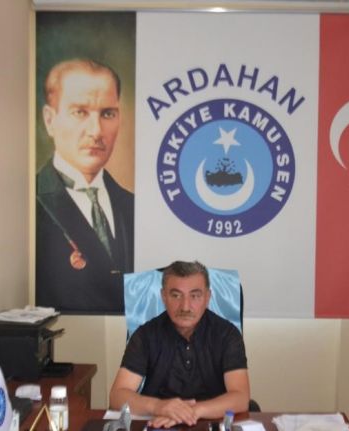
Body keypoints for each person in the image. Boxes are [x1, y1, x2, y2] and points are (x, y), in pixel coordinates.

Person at [36, 58, 134, 313]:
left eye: (107, 114)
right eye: (80, 112)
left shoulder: (134, 206)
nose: (96, 131)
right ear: (50, 120)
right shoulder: (27, 205)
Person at [109, 261, 251, 428]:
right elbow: (117, 396)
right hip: (159, 422)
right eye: (176, 295)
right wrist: (158, 406)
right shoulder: (145, 335)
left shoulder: (227, 334)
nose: (185, 306)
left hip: (211, 421)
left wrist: (192, 412)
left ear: (207, 297)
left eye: (195, 296)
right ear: (163, 297)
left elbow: (241, 397)